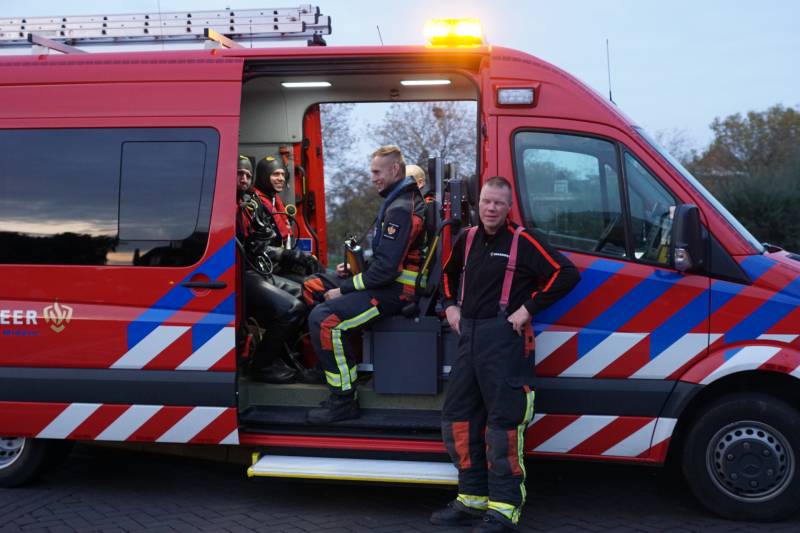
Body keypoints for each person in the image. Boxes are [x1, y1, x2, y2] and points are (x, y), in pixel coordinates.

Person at [431, 177, 580, 532]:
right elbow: (446, 277)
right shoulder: (466, 239)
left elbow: (566, 274)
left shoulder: (523, 241)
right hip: (468, 337)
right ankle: (471, 500)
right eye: (486, 201)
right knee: (460, 420)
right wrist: (450, 307)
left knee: (503, 427)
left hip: (504, 342)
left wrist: (528, 308)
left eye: (498, 203)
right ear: (478, 203)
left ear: (508, 206)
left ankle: (504, 509)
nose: (491, 208)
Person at [305, 145, 426, 424]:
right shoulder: (398, 201)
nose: (372, 178)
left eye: (376, 171)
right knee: (313, 285)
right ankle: (329, 366)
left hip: (396, 293)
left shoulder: (400, 209)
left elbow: (385, 272)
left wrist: (344, 288)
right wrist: (353, 269)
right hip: (385, 284)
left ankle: (344, 398)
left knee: (325, 319)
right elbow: (385, 259)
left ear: (395, 169)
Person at [236, 155, 306, 383]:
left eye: (247, 174)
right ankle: (263, 365)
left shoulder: (245, 206)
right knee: (291, 309)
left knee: (307, 294)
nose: (244, 179)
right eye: (239, 174)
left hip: (256, 270)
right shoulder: (229, 207)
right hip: (240, 275)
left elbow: (258, 244)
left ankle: (285, 357)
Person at [255, 155, 291, 243]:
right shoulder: (254, 204)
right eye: (276, 174)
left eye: (283, 174)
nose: (281, 179)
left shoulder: (274, 200)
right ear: (264, 176)